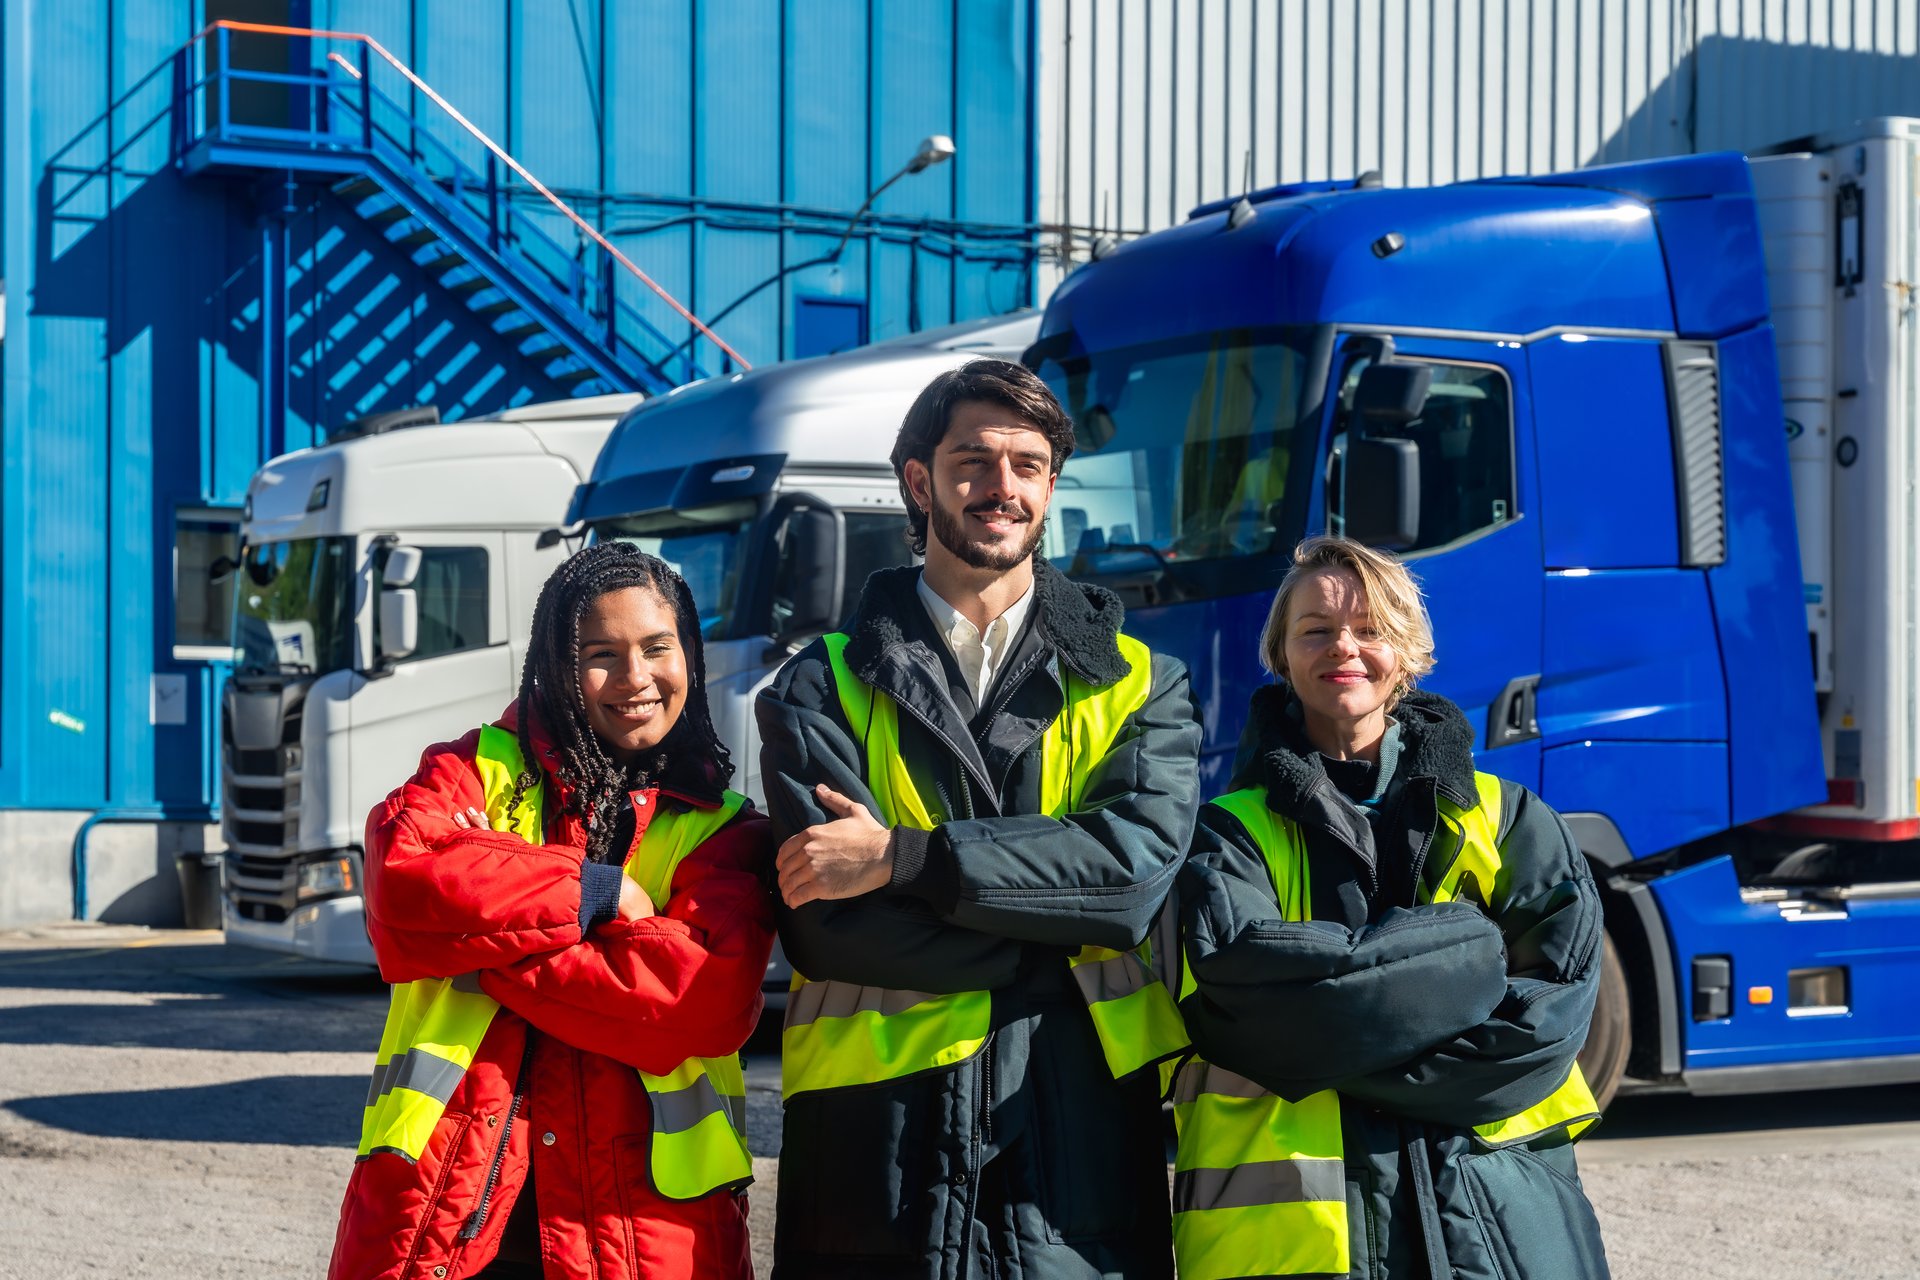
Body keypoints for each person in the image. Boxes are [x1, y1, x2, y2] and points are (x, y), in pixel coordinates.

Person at [756, 359, 1203, 1279]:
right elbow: (828, 926)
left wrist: (907, 861)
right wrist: (1050, 933)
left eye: (1029, 465)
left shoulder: (1142, 683)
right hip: (877, 1156)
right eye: (974, 461)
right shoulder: (818, 685)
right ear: (919, 481)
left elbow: (1126, 885)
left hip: (1068, 1141)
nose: (1003, 488)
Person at [329, 541, 774, 1280]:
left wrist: (481, 942)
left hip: (645, 1237)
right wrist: (593, 892)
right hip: (444, 1219)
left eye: (657, 648)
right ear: (558, 666)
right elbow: (401, 881)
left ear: (689, 653)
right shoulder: (478, 767)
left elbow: (695, 1001)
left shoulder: (725, 828)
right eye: (601, 653)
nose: (635, 679)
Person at [1174, 535, 1611, 1280]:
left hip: (1492, 1227)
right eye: (1315, 629)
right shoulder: (1226, 832)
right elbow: (1258, 1019)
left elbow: (1547, 1026)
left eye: (1369, 628)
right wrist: (1471, 960)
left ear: (1408, 651)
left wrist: (1343, 1030)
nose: (1343, 646)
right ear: (1282, 655)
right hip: (1300, 1246)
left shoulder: (1511, 820)